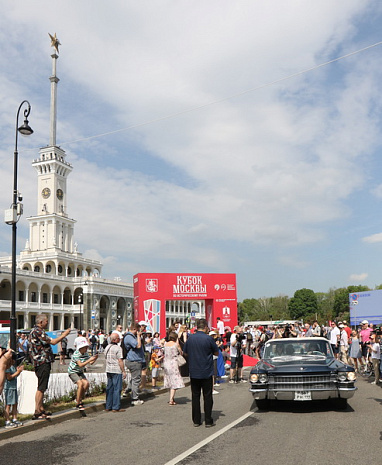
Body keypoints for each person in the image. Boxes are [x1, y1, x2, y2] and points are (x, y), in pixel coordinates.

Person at [29, 314, 71, 420]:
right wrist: (64, 334)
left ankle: (41, 408)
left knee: (42, 386)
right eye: (46, 321)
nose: (47, 323)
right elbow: (53, 342)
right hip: (42, 362)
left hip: (40, 362)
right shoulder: (38, 332)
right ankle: (37, 411)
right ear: (41, 322)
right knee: (41, 387)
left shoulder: (36, 331)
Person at [183, 318, 219, 427]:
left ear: (197, 327)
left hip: (194, 371)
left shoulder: (190, 339)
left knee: (195, 396)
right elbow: (216, 352)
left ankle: (196, 420)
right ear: (206, 327)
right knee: (207, 396)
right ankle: (208, 420)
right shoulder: (209, 339)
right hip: (206, 371)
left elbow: (185, 353)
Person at [68, 337, 98, 412]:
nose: (86, 349)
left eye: (87, 347)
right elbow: (80, 365)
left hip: (80, 371)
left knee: (86, 383)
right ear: (80, 347)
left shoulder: (85, 353)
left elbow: (90, 363)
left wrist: (94, 359)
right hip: (73, 371)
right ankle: (78, 403)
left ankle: (79, 397)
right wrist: (89, 360)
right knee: (80, 384)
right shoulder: (76, 354)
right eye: (85, 347)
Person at [123, 322, 145, 406]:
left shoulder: (133, 336)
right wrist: (139, 336)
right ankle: (134, 398)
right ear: (135, 329)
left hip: (136, 360)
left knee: (134, 378)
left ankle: (127, 390)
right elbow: (138, 346)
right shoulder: (129, 337)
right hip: (134, 360)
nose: (139, 332)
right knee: (136, 380)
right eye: (138, 330)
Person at [104, 332, 126, 412]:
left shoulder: (107, 347)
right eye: (118, 338)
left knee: (109, 388)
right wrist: (123, 371)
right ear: (114, 340)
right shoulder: (118, 348)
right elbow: (120, 360)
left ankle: (108, 406)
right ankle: (116, 406)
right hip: (116, 370)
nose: (119, 339)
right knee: (117, 388)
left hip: (108, 369)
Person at [163, 332, 185, 404]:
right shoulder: (176, 344)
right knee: (174, 380)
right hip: (173, 363)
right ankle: (171, 399)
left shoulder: (165, 344)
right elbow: (181, 352)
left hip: (166, 363)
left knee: (169, 379)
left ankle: (171, 397)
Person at [4, 357, 24, 428]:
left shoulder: (12, 367)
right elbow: (9, 377)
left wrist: (19, 371)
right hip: (9, 388)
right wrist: (17, 372)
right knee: (8, 404)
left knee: (15, 403)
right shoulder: (7, 367)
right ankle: (7, 420)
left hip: (14, 387)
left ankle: (14, 418)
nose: (14, 361)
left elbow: (15, 375)